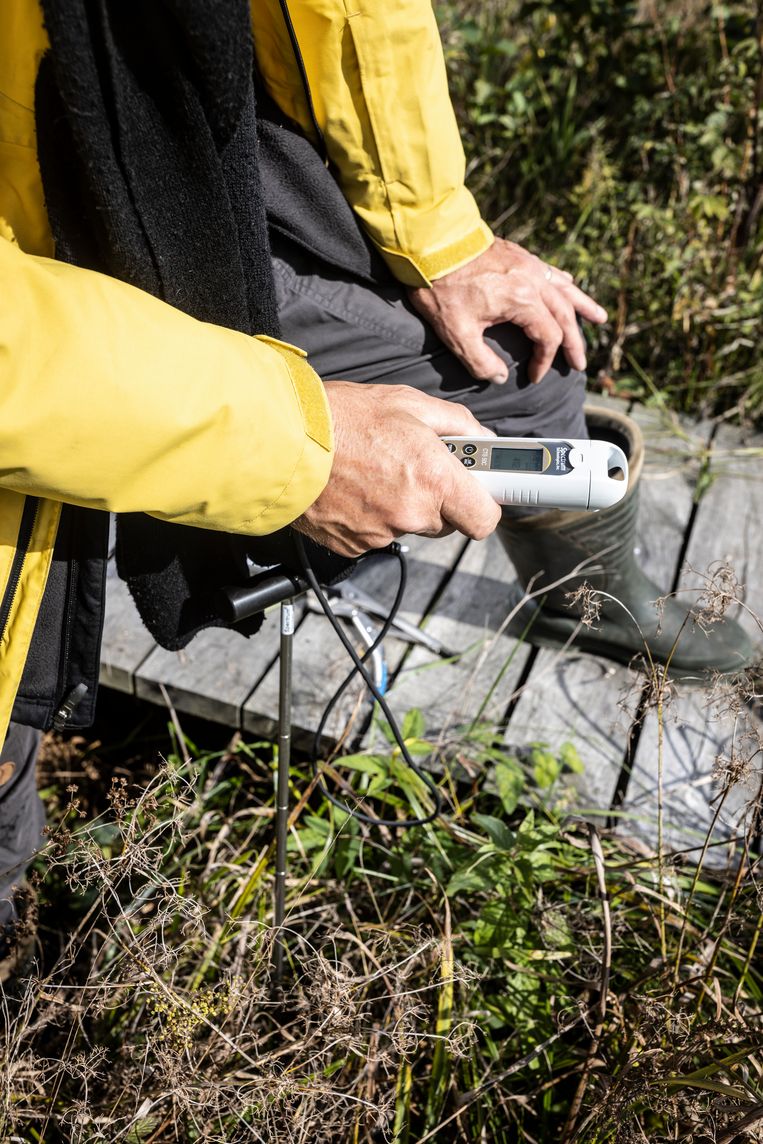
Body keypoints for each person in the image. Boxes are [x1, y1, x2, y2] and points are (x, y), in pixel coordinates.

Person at [0, 0, 752, 971]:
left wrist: (440, 236)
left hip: (163, 112)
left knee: (516, 362)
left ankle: (590, 601)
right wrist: (287, 445)